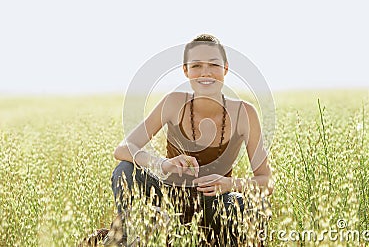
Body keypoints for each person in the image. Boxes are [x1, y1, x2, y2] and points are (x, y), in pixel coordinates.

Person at [106, 34, 274, 246]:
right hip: (170, 198)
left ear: (226, 68)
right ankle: (123, 238)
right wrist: (163, 163)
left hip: (214, 203)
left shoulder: (244, 113)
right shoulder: (174, 102)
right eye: (196, 66)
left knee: (247, 206)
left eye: (213, 64)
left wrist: (229, 184)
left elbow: (266, 181)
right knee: (125, 169)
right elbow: (122, 149)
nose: (205, 72)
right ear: (186, 71)